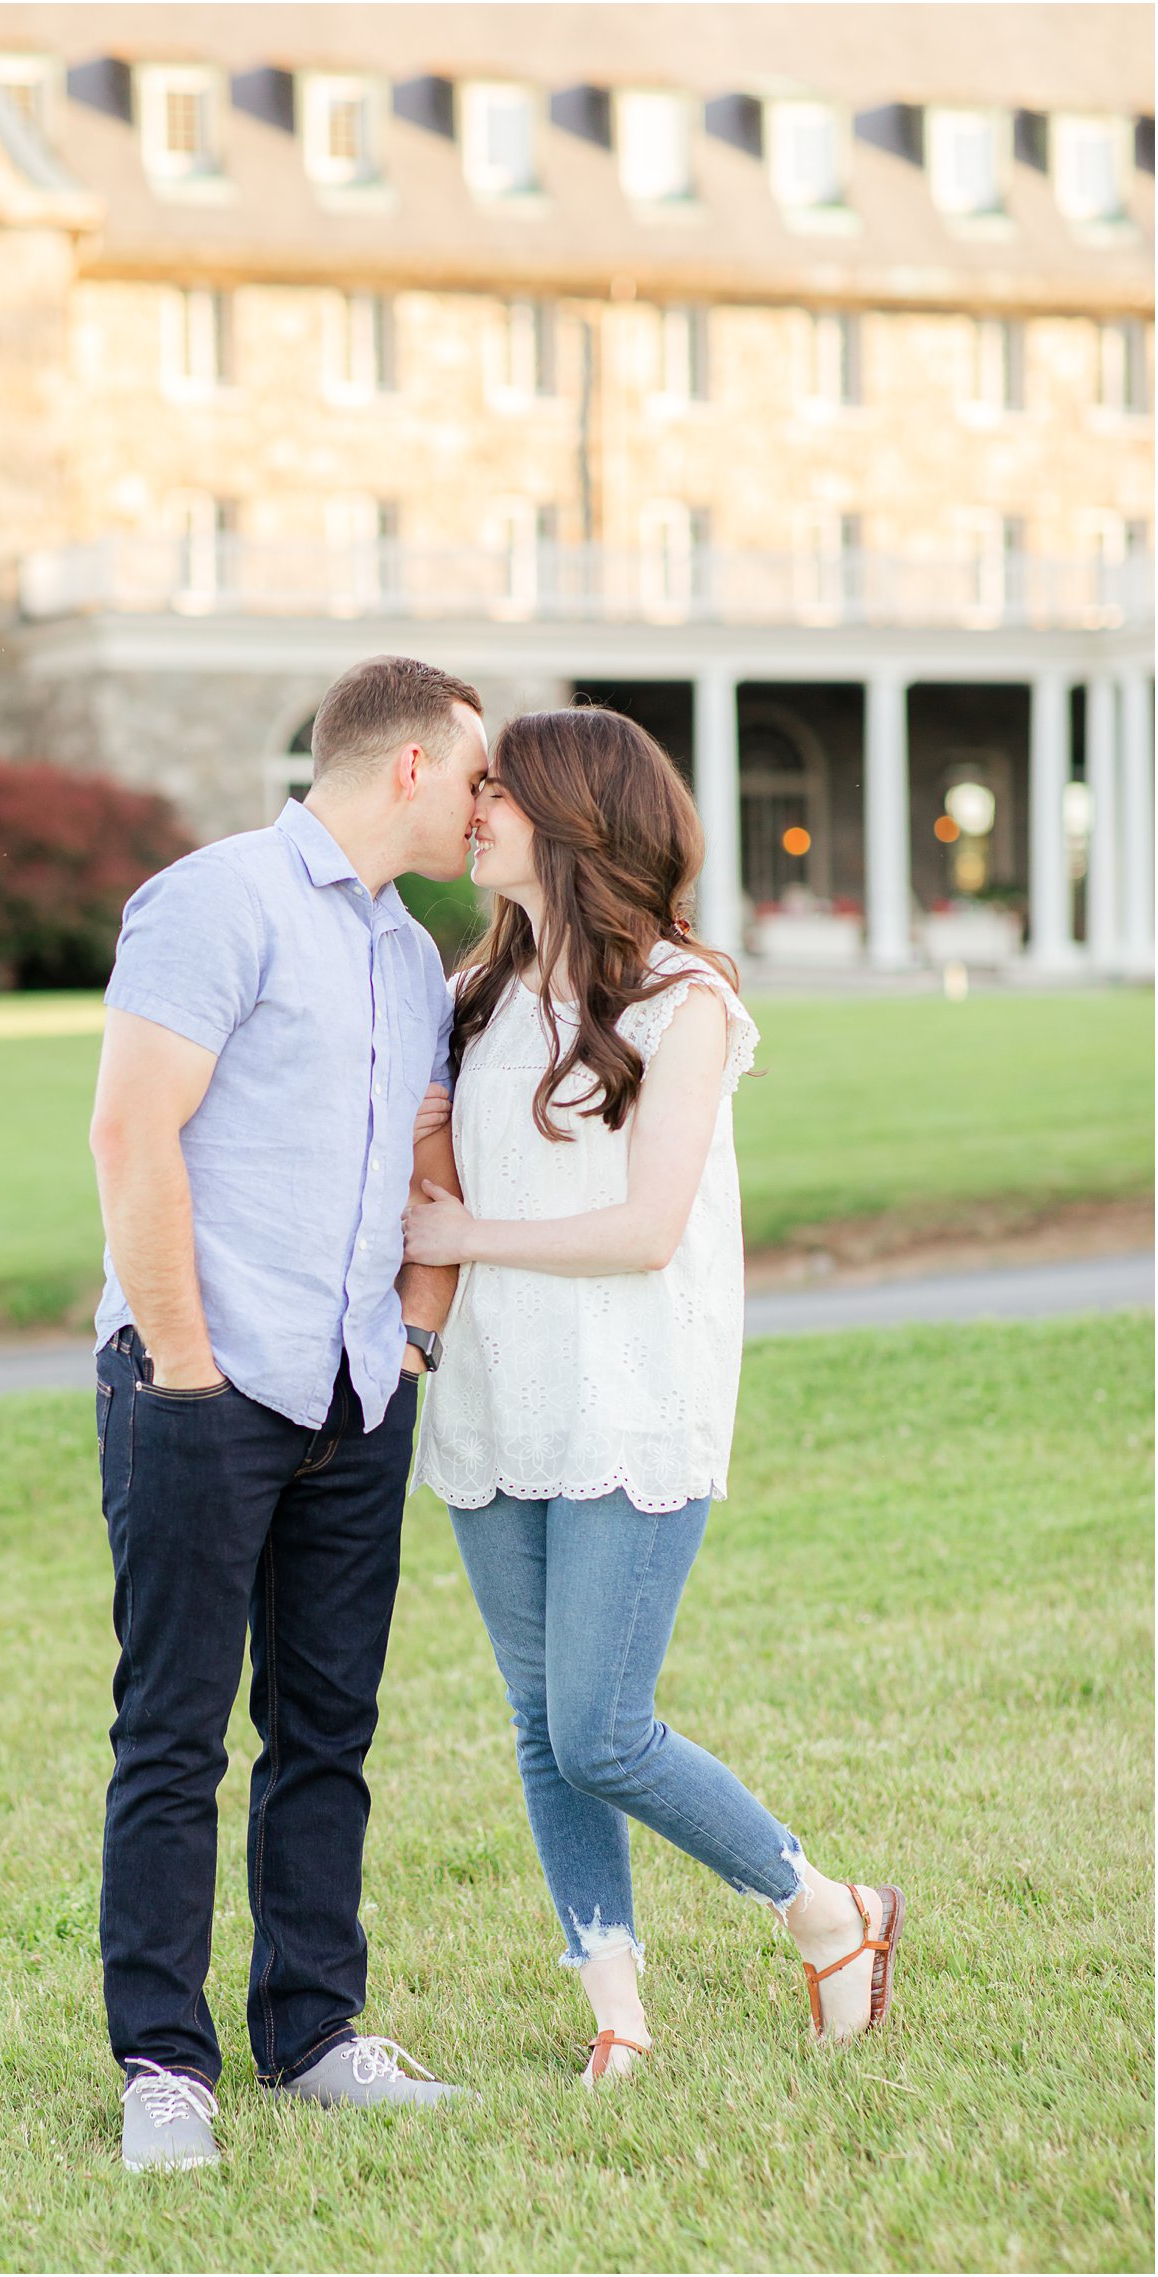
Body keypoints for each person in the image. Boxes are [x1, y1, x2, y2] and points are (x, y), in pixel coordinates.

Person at [403, 706, 905, 2087]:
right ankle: (616, 2005)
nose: (474, 806)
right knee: (535, 1712)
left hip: (631, 1396)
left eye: (500, 789)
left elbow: (644, 1226)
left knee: (599, 1724)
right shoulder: (475, 996)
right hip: (498, 1401)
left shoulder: (686, 999)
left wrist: (460, 1239)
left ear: (576, 821)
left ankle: (830, 1909)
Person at [90, 655, 490, 2169]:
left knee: (327, 1726)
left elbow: (422, 1154)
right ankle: (165, 2068)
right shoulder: (214, 899)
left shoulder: (404, 954)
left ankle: (313, 2030)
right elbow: (132, 1131)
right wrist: (186, 1367)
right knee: (175, 1732)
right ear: (405, 768)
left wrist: (412, 1346)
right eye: (473, 774)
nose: (483, 801)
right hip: (203, 1379)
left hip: (355, 1388)